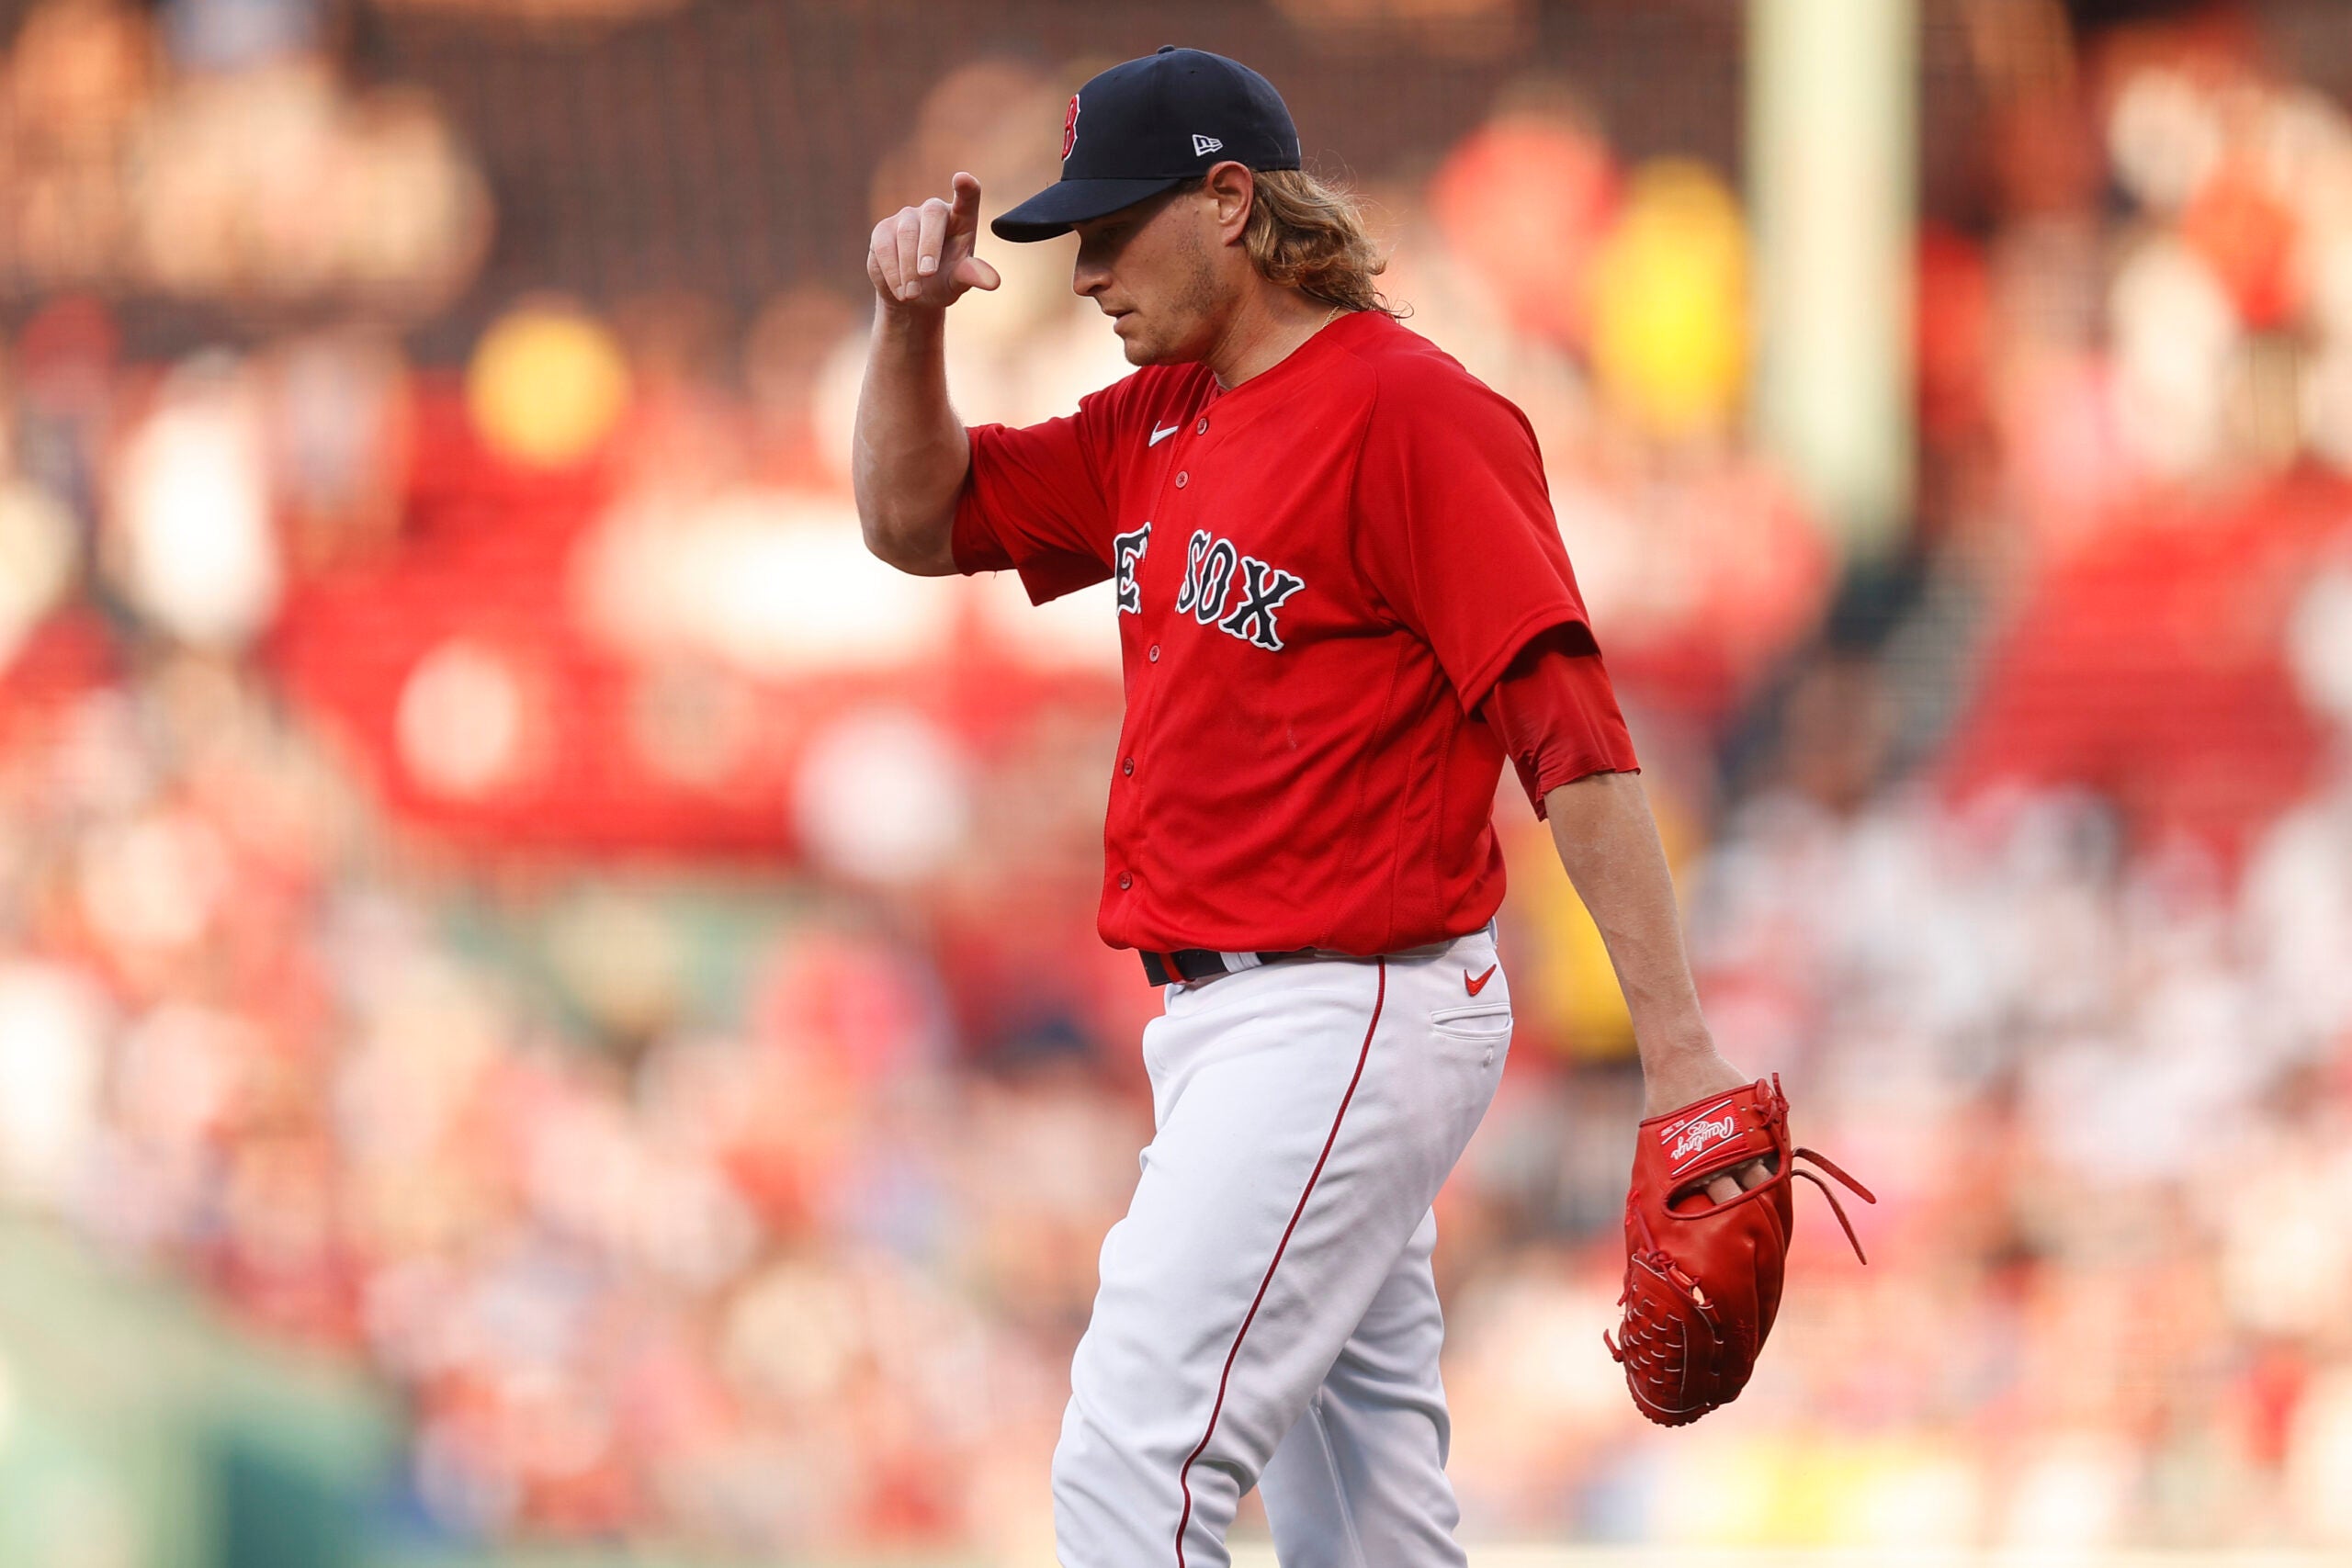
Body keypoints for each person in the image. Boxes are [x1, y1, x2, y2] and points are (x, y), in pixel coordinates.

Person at [854, 45, 1768, 1567]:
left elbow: (1575, 740)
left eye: (1110, 226)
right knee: (1369, 1529)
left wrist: (1676, 1048)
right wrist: (905, 327)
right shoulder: (1150, 417)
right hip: (1243, 1026)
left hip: (1348, 1006)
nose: (1083, 272)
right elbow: (909, 519)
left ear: (1229, 202)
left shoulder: (1414, 414)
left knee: (1129, 1467)